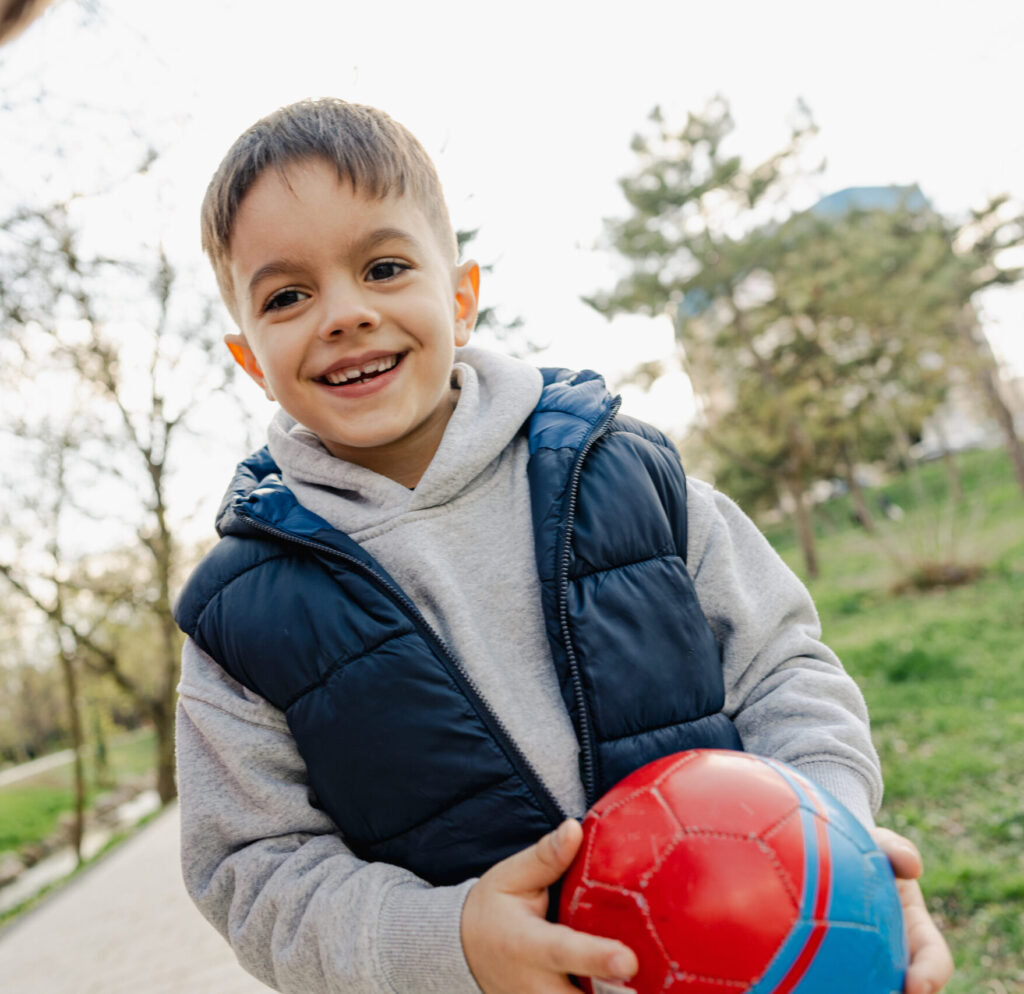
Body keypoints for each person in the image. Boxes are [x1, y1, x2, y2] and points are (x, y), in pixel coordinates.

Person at [174, 97, 953, 994]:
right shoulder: (239, 620)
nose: (344, 314)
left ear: (460, 300)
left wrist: (830, 843)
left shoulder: (623, 472)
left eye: (384, 267)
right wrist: (449, 943)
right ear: (249, 358)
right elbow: (255, 872)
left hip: (762, 955)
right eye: (287, 296)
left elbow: (783, 669)